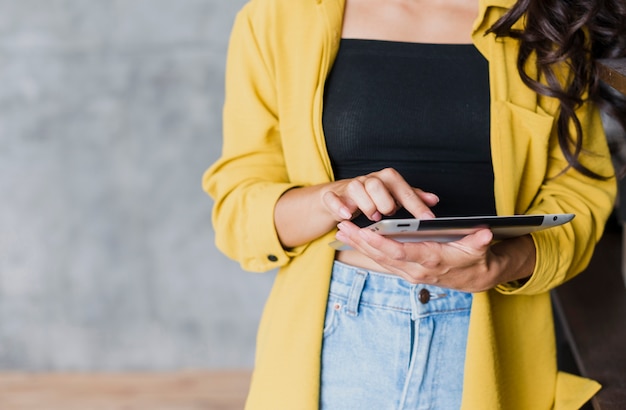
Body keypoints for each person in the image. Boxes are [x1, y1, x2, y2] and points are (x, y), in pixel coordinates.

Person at [204, 0, 626, 408]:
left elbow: (580, 199)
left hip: (489, 341)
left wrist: (503, 264)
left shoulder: (546, 20)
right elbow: (238, 211)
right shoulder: (280, 15)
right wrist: (334, 199)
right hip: (338, 336)